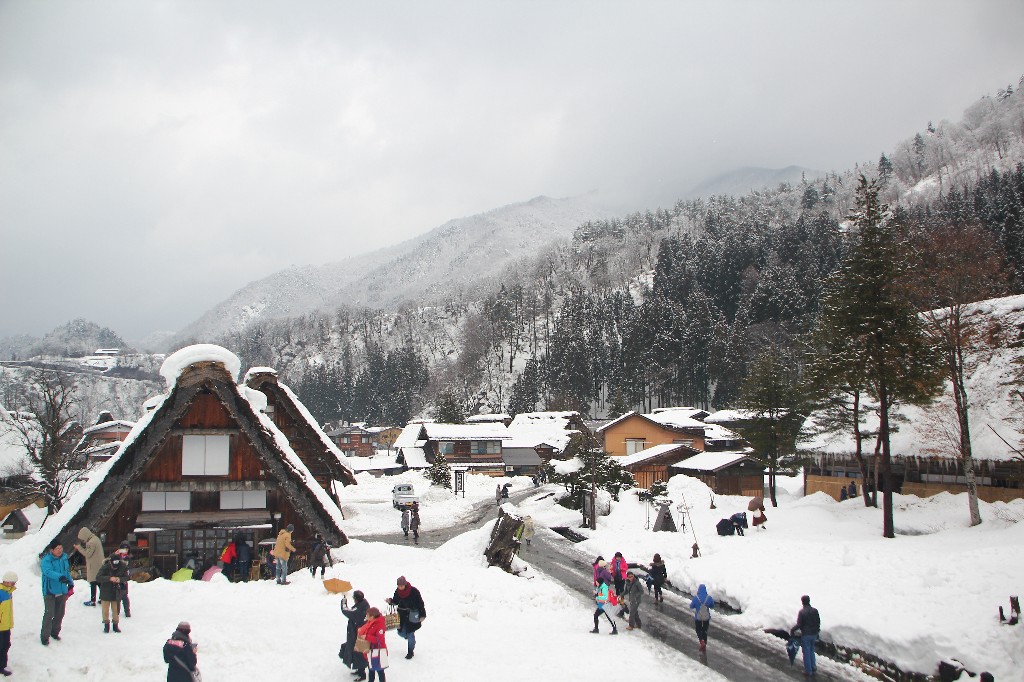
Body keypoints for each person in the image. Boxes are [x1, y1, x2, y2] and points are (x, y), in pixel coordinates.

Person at [40, 539, 73, 646]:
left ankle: (54, 632)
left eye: (61, 548)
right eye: (57, 548)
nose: (59, 550)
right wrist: (60, 577)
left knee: (60, 613)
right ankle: (44, 637)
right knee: (49, 613)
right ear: (52, 550)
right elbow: (48, 572)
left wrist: (70, 582)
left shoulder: (64, 558)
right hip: (49, 590)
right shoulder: (46, 560)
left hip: (62, 590)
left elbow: (66, 572)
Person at [386, 575, 426, 659]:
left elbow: (420, 603)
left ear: (405, 584)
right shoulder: (397, 591)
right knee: (401, 632)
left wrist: (422, 615)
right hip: (402, 615)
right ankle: (410, 639)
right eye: (399, 586)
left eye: (402, 586)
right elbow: (396, 601)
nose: (400, 587)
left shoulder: (414, 591)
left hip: (412, 615)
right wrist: (390, 601)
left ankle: (410, 651)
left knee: (410, 633)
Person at [96, 551, 128, 633]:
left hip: (116, 591)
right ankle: (106, 625)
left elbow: (126, 577)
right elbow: (98, 577)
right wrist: (109, 578)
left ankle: (115, 626)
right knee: (105, 610)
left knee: (116, 610)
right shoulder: (105, 567)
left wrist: (119, 579)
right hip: (105, 590)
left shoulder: (123, 566)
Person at [341, 590, 370, 678]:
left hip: (358, 634)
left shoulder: (358, 610)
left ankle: (362, 674)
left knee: (359, 653)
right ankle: (360, 670)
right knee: (359, 652)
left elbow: (346, 611)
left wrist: (343, 602)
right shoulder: (365, 604)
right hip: (363, 633)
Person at [791, 595, 821, 678]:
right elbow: (818, 622)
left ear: (802, 602)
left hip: (806, 635)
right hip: (814, 634)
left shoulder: (802, 612)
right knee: (811, 650)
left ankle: (808, 671)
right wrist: (817, 631)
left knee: (806, 652)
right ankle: (813, 666)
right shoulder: (815, 610)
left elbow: (799, 624)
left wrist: (792, 630)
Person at [74, 526, 103, 607]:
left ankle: (93, 600)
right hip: (98, 564)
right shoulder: (96, 539)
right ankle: (102, 598)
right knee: (99, 582)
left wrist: (79, 548)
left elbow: (87, 554)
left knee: (93, 582)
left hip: (93, 565)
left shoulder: (91, 542)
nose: (83, 540)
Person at [358, 607, 388, 682]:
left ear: (373, 616)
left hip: (377, 651)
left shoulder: (379, 624)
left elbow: (379, 639)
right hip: (369, 649)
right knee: (371, 669)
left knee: (379, 670)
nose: (366, 617)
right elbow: (365, 628)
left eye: (368, 615)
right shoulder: (370, 622)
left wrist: (366, 637)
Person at [0, 571, 17, 676]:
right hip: (1, 626)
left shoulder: (8, 592)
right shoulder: (1, 593)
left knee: (6, 645)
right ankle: (1, 667)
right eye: (12, 582)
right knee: (2, 646)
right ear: (6, 581)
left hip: (6, 625)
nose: (14, 584)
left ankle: (2, 665)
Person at [690, 583, 715, 652]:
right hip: (706, 617)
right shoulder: (709, 598)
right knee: (704, 631)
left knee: (698, 630)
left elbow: (691, 606)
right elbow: (712, 606)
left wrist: (697, 606)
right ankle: (705, 644)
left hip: (698, 617)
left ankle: (701, 641)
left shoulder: (696, 598)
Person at [115, 542, 133, 616]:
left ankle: (127, 612)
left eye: (127, 549)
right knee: (117, 597)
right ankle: (116, 612)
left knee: (124, 596)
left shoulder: (128, 558)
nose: (125, 551)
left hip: (124, 579)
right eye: (123, 549)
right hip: (116, 579)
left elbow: (127, 568)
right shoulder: (117, 556)